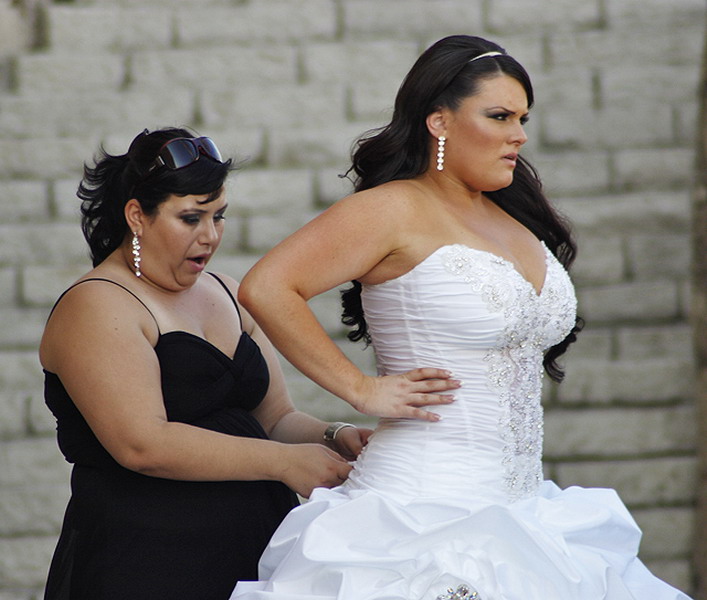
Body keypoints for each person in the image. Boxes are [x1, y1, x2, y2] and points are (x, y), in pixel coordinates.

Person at [230, 36, 693, 600]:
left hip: (525, 515)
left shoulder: (511, 216)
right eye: (499, 116)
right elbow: (267, 287)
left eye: (522, 118)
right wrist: (359, 387)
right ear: (439, 121)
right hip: (418, 515)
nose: (519, 135)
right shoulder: (393, 208)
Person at [39, 127, 393, 600]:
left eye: (218, 216)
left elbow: (275, 419)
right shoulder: (98, 304)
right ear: (137, 216)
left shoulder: (226, 290)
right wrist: (284, 463)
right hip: (149, 560)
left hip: (256, 546)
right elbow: (142, 444)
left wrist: (334, 436)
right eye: (191, 218)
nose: (210, 236)